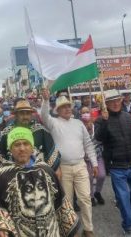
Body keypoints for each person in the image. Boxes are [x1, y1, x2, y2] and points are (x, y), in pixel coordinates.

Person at [0, 127, 79, 237]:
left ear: (32, 147)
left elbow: (60, 202)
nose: (22, 148)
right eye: (17, 145)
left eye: (26, 144)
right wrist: (2, 226)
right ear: (10, 149)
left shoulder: (46, 170)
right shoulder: (0, 175)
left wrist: (70, 229)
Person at [94, 89, 131, 235]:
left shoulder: (128, 117)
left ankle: (126, 211)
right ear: (105, 104)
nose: (115, 103)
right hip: (116, 166)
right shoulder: (101, 120)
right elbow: (99, 138)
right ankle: (128, 224)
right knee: (123, 196)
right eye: (111, 101)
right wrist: (105, 121)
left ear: (121, 100)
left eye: (117, 100)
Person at [41, 90, 97, 237]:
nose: (67, 108)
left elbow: (88, 144)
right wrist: (46, 100)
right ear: (57, 110)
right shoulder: (53, 123)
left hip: (80, 165)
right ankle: (70, 230)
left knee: (85, 198)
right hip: (62, 168)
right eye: (63, 107)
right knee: (67, 202)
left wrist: (95, 163)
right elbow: (44, 116)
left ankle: (88, 228)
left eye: (68, 106)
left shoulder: (78, 123)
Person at [0, 99, 61, 177]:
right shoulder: (6, 133)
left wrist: (52, 177)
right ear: (16, 115)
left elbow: (52, 157)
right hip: (14, 178)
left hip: (40, 176)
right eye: (22, 113)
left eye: (28, 113)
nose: (25, 116)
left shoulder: (41, 131)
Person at [80, 107, 106, 206]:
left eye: (87, 112)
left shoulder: (96, 126)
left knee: (102, 175)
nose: (85, 114)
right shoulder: (79, 126)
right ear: (80, 114)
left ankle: (97, 192)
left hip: (97, 155)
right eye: (83, 112)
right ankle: (91, 196)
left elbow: (100, 138)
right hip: (85, 158)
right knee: (89, 178)